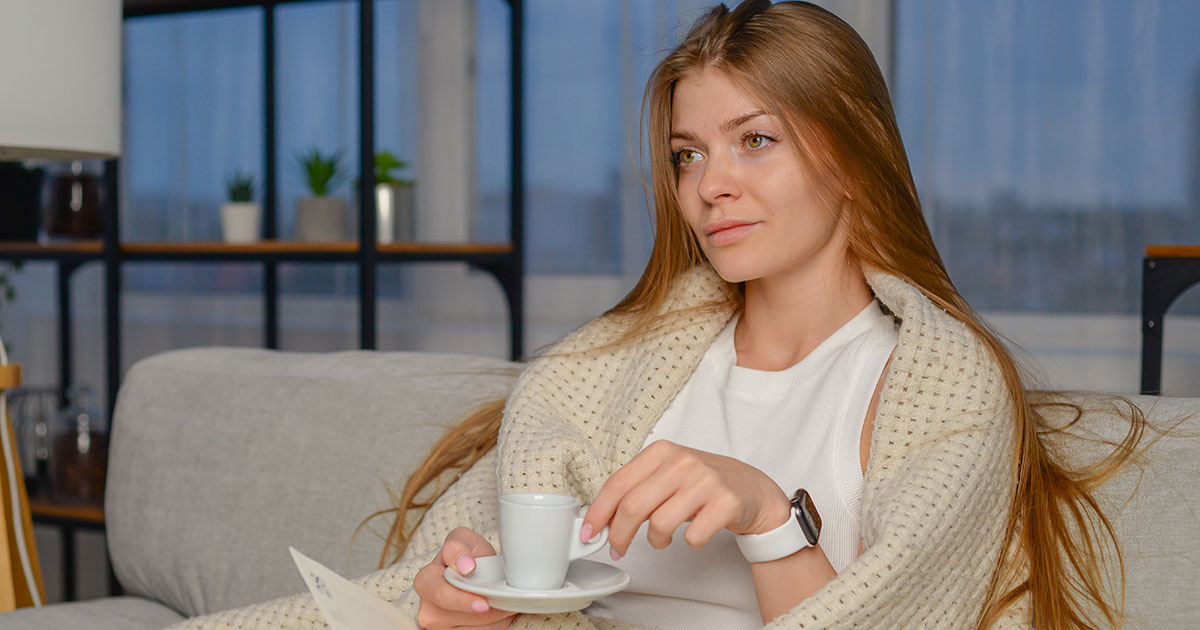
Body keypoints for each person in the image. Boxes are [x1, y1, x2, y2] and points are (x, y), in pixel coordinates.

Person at [173, 2, 1145, 629]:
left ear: (851, 156)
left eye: (754, 141)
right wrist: (463, 603)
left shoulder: (940, 388)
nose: (710, 185)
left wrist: (767, 515)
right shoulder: (608, 369)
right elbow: (492, 577)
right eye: (688, 154)